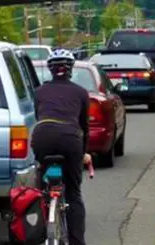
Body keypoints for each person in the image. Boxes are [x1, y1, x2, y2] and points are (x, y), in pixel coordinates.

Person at [31, 48, 91, 245]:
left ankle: (41, 224)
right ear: (70, 69)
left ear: (50, 69)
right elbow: (84, 127)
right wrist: (84, 153)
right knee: (73, 193)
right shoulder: (81, 93)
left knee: (40, 185)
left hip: (43, 136)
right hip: (70, 138)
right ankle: (77, 241)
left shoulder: (38, 92)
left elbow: (38, 116)